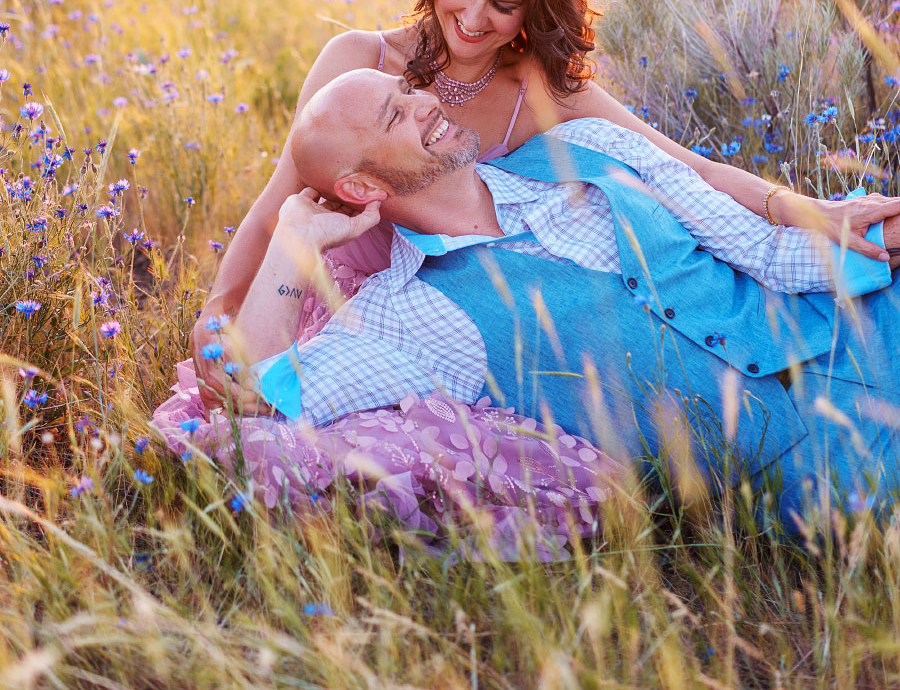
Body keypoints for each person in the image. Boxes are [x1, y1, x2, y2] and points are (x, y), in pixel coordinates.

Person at [189, 0, 900, 412]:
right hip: (358, 304)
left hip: (502, 319)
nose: (472, 19)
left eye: (503, 6)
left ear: (535, 5)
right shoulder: (358, 61)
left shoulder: (541, 88)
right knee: (256, 407)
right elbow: (276, 205)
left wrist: (811, 210)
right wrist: (219, 308)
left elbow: (691, 170)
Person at [233, 69, 900, 527]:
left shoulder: (586, 144)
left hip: (868, 329)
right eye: (396, 115)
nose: (426, 103)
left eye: (411, 90)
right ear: (358, 188)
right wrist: (294, 241)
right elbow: (257, 401)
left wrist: (875, 238)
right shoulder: (405, 317)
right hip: (812, 470)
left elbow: (759, 248)